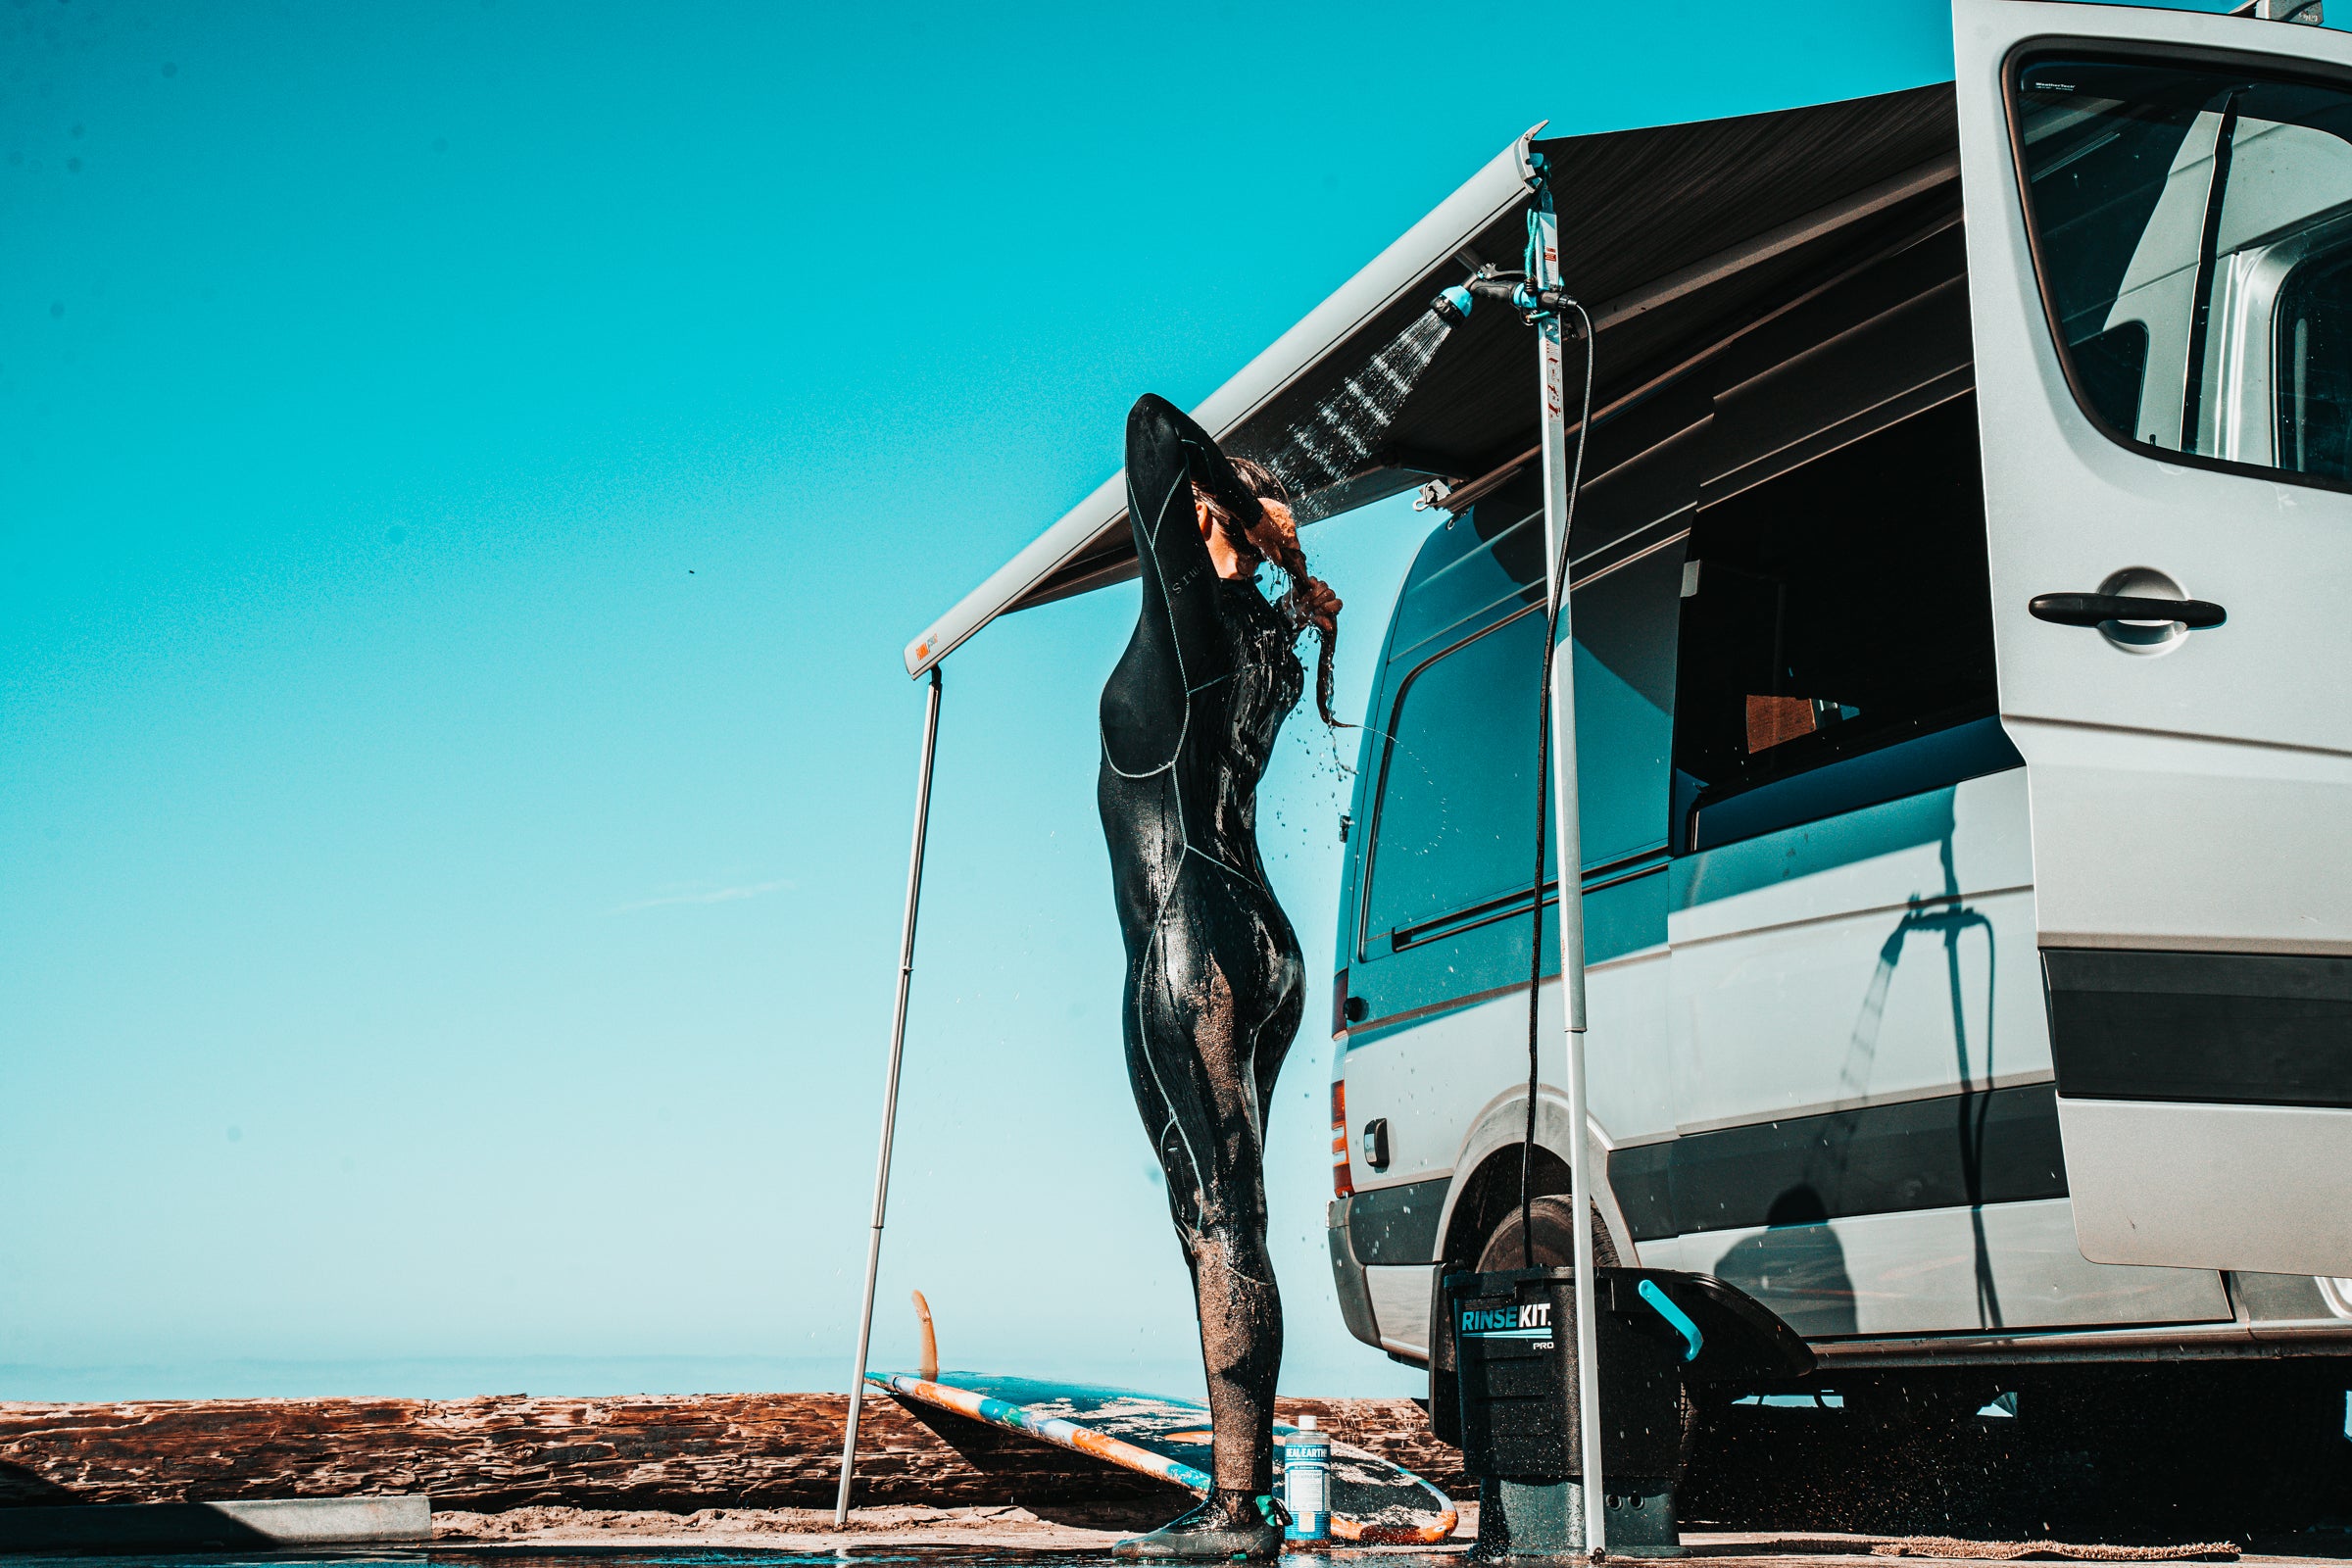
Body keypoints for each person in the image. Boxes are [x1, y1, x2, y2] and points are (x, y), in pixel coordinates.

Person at [1098, 393, 1342, 1559]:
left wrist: (1234, 507)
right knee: (1228, 1214)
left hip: (1191, 940)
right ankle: (1234, 1493)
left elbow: (1150, 425)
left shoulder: (1192, 614)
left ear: (1199, 520)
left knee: (1219, 1218)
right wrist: (1265, 540)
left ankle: (1237, 1512)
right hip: (1265, 940)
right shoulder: (1267, 640)